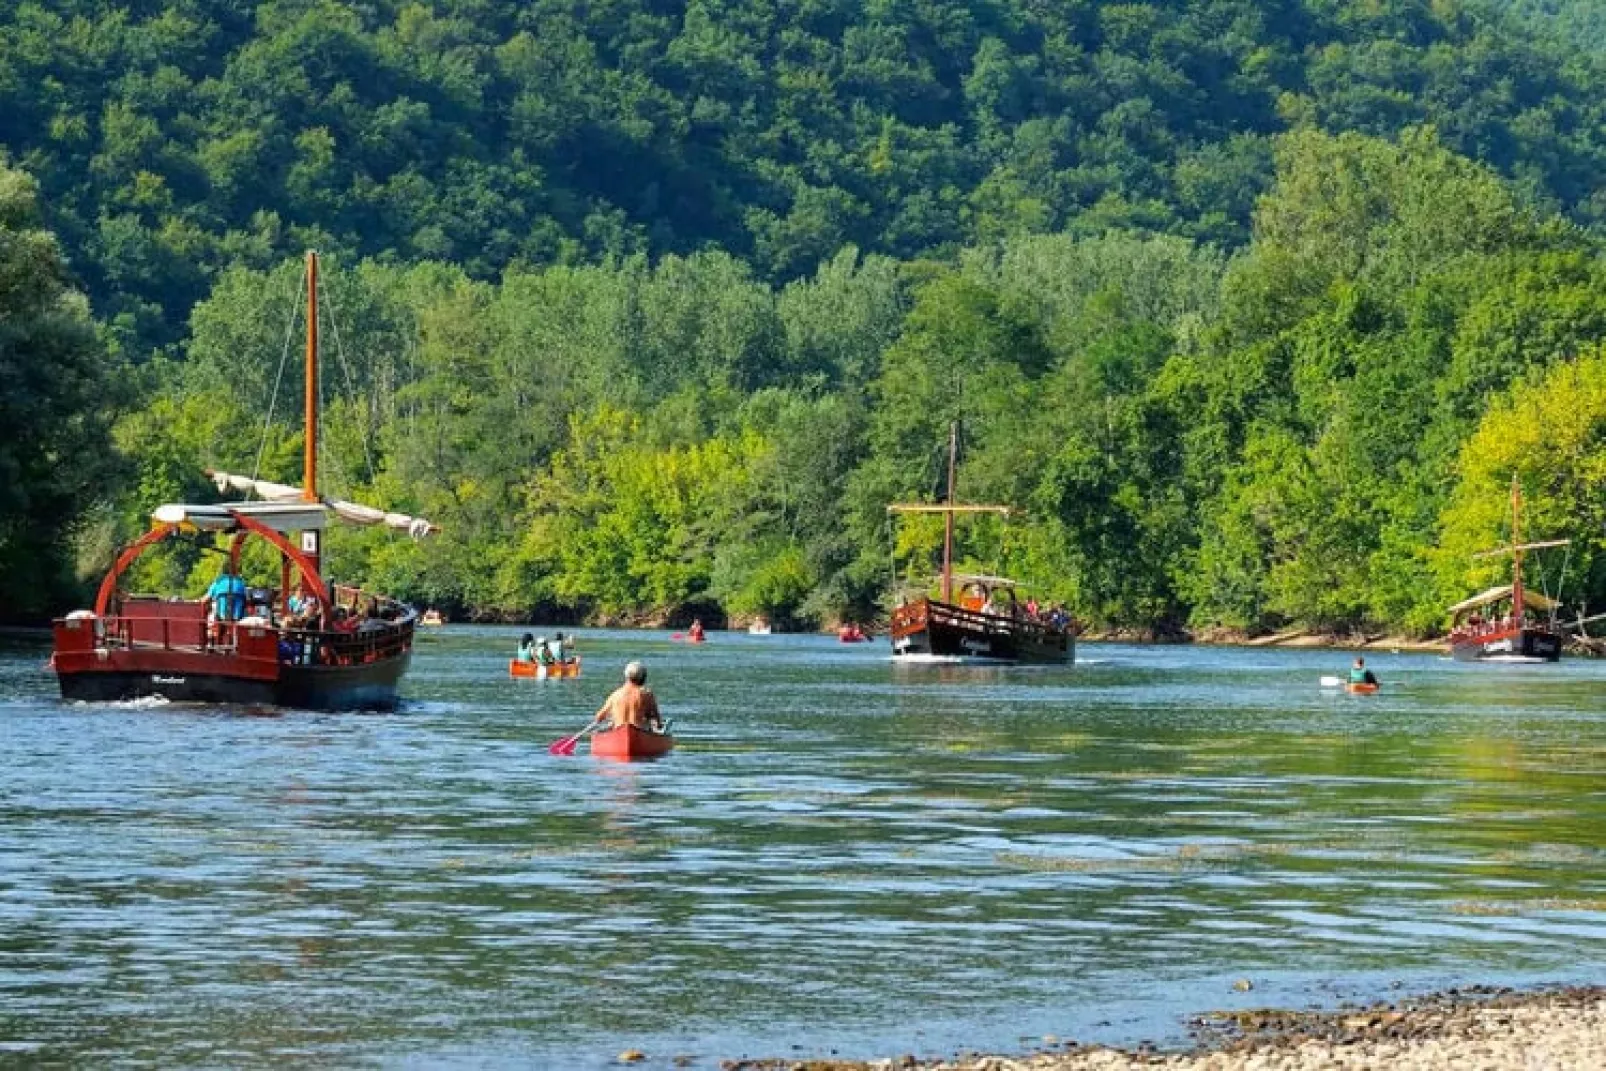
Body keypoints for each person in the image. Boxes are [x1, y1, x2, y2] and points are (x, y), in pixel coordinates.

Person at [592, 661, 664, 732]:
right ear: (643, 677)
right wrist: (655, 722)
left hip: (618, 732)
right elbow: (658, 722)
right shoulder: (647, 694)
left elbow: (598, 718)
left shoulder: (615, 695)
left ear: (627, 677)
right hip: (640, 733)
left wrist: (612, 718)